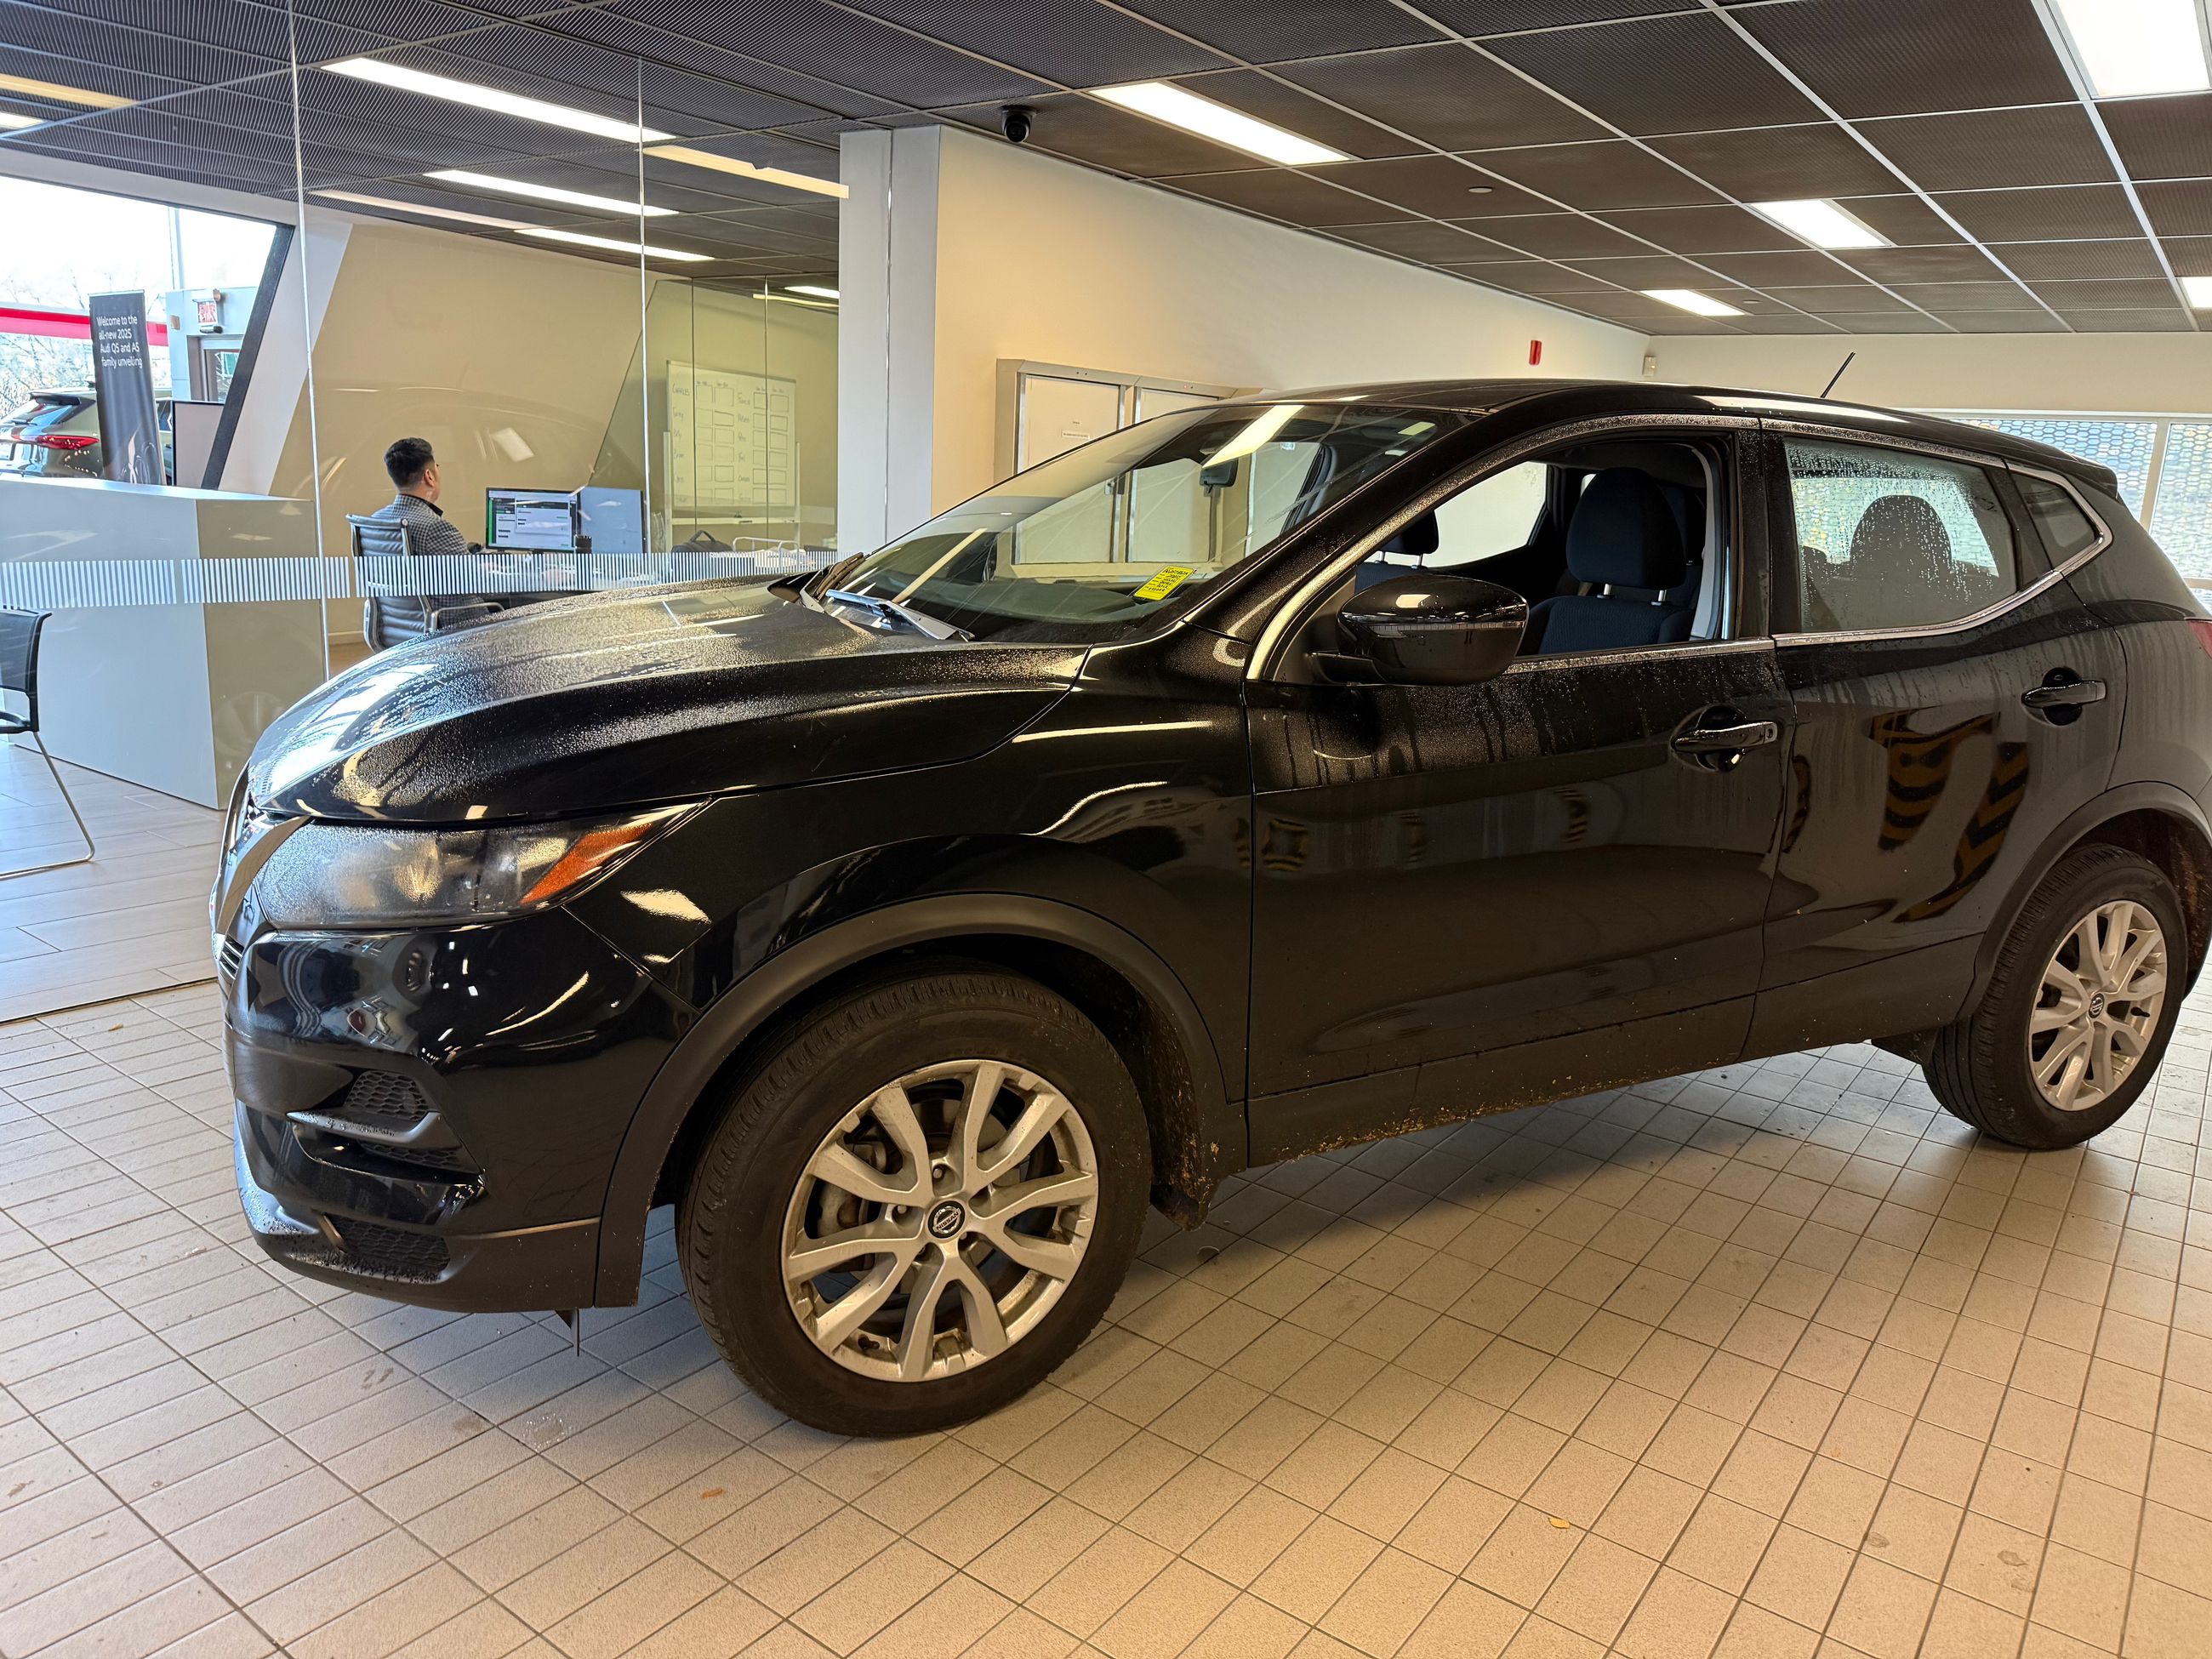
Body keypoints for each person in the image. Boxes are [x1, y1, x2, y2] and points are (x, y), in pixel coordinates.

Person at [372, 436, 476, 556]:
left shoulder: (376, 519)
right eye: (437, 467)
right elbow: (470, 574)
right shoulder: (436, 529)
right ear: (429, 476)